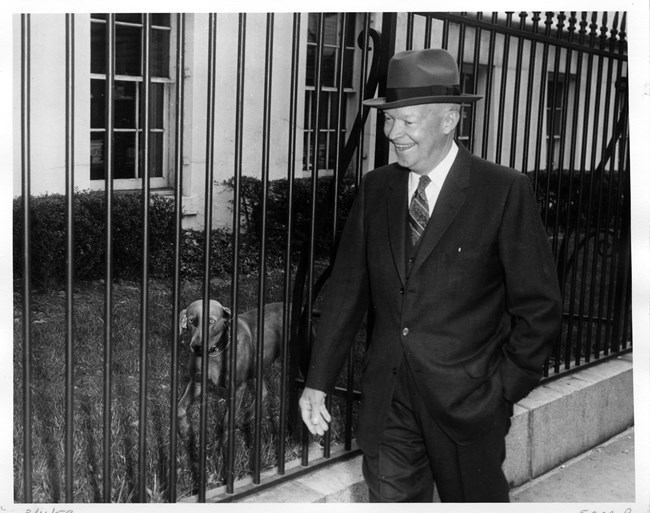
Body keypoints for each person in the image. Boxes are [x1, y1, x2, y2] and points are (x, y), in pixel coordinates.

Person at [298, 48, 563, 503]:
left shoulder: (502, 190)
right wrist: (318, 381)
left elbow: (539, 307)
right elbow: (346, 291)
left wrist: (501, 391)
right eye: (388, 120)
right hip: (389, 402)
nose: (392, 134)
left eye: (408, 121)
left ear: (449, 119)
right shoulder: (376, 188)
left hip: (469, 405)